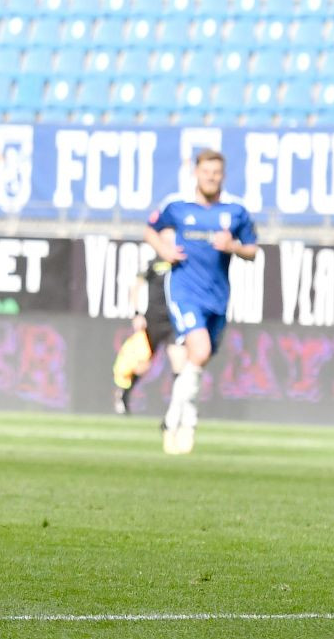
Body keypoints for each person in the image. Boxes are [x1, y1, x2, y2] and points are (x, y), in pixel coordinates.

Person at [144, 149, 257, 454]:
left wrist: (232, 245)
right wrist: (164, 250)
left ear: (223, 175)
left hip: (217, 297)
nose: (211, 177)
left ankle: (172, 418)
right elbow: (150, 229)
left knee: (198, 359)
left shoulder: (235, 210)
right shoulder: (177, 206)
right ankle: (188, 422)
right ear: (196, 172)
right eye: (206, 171)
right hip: (183, 290)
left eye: (216, 172)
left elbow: (252, 250)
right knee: (200, 349)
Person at [111, 246, 184, 414]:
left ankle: (179, 405)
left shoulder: (183, 264)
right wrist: (137, 313)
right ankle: (124, 394)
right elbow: (136, 286)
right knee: (143, 364)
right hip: (153, 320)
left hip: (174, 320)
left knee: (178, 362)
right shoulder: (155, 263)